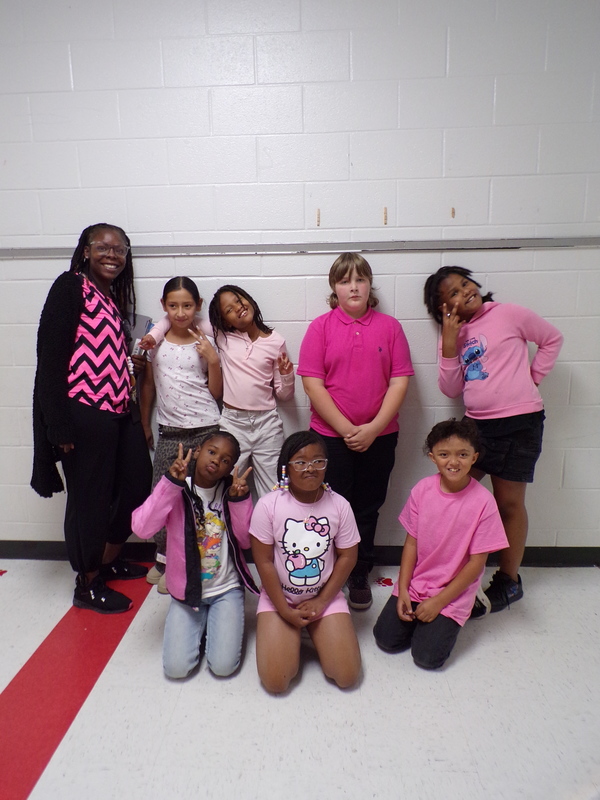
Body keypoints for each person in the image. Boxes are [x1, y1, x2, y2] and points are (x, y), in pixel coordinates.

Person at [423, 266, 563, 614]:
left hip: (521, 424)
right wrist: (451, 344)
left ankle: (508, 581)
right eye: (452, 293)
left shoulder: (509, 314)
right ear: (443, 307)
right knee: (448, 495)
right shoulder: (451, 335)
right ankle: (446, 572)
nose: (464, 292)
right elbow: (451, 388)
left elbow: (551, 339)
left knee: (509, 505)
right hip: (477, 429)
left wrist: (533, 377)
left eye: (465, 284)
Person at [31, 223, 152, 614]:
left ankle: (107, 557)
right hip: (83, 413)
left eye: (121, 249)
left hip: (118, 410)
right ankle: (87, 583)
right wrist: (58, 425)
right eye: (104, 247)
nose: (113, 254)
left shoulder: (110, 297)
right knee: (89, 500)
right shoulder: (69, 287)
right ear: (85, 250)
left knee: (135, 486)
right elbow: (49, 360)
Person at [298, 253, 414, 610]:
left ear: (369, 285)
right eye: (345, 280)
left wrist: (372, 429)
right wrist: (348, 429)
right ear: (334, 287)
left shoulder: (390, 327)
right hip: (330, 437)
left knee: (367, 507)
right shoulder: (320, 327)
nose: (353, 286)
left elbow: (399, 382)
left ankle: (359, 571)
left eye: (360, 279)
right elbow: (312, 384)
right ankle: (326, 568)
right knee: (330, 505)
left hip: (380, 437)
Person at [373, 419, 508, 669]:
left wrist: (438, 602)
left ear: (474, 457)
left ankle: (463, 609)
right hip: (417, 583)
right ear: (433, 457)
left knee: (427, 658)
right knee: (386, 640)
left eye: (462, 454)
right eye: (444, 454)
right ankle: (421, 616)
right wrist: (403, 590)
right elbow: (411, 544)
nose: (453, 462)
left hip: (452, 592)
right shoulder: (422, 490)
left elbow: (477, 563)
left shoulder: (484, 502)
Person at [140, 284, 294, 499]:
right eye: (228, 310)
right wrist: (154, 336)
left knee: (274, 489)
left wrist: (287, 376)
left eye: (238, 301)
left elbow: (284, 394)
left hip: (267, 424)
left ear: (248, 298)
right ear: (224, 320)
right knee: (220, 486)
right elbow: (178, 317)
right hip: (232, 423)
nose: (237, 308)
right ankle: (220, 531)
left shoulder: (276, 341)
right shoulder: (222, 336)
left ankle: (272, 531)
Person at [131, 432, 259, 679]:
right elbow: (142, 528)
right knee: (176, 669)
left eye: (225, 460)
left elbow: (245, 541)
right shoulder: (177, 489)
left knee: (223, 667)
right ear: (198, 451)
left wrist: (240, 500)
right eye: (212, 452)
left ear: (230, 468)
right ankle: (199, 626)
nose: (215, 460)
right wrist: (169, 484)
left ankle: (216, 623)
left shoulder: (231, 492)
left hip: (226, 590)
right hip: (187, 593)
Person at [250, 430, 362, 693]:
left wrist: (322, 601)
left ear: (326, 465)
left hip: (325, 597)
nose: (310, 468)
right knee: (276, 682)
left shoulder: (340, 505)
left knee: (347, 677)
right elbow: (264, 562)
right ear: (286, 468)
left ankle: (315, 629)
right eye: (300, 462)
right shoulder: (268, 505)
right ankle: (290, 633)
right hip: (281, 599)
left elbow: (348, 556)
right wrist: (284, 610)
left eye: (318, 461)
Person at [140, 276, 222, 592]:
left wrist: (213, 360)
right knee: (162, 495)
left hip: (206, 428)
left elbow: (216, 392)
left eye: (187, 305)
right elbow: (148, 385)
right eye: (173, 306)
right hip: (170, 432)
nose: (180, 312)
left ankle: (198, 556)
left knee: (203, 497)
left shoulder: (205, 339)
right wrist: (146, 423)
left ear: (197, 306)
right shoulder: (154, 341)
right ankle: (164, 557)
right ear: (164, 307)